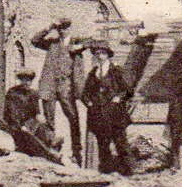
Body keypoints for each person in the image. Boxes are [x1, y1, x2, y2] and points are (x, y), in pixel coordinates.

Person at [31, 18, 83, 165]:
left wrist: (81, 47)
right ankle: (51, 148)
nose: (62, 31)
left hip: (66, 85)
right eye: (60, 29)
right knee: (49, 118)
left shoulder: (76, 41)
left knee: (73, 117)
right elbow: (34, 40)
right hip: (50, 85)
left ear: (70, 29)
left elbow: (94, 42)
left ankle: (77, 150)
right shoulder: (52, 43)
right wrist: (49, 27)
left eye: (65, 28)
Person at [81, 39, 132, 175]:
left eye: (103, 53)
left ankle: (127, 172)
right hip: (99, 114)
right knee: (103, 144)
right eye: (97, 53)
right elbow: (85, 93)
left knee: (120, 143)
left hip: (115, 113)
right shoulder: (93, 73)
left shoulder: (116, 70)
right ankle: (106, 173)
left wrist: (118, 98)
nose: (100, 56)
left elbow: (127, 90)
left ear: (108, 55)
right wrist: (89, 103)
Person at [3, 69, 58, 152]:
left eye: (29, 80)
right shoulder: (13, 93)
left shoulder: (33, 94)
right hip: (15, 125)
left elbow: (36, 112)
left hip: (28, 124)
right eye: (25, 80)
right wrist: (20, 126)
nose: (27, 82)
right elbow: (12, 113)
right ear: (21, 80)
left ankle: (51, 142)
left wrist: (40, 118)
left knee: (41, 126)